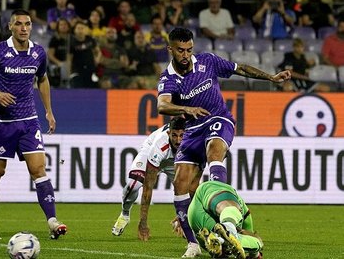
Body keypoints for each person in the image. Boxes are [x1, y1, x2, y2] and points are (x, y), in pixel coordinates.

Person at [156, 27, 290, 257]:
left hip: (219, 118)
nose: (186, 55)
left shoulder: (207, 61)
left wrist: (270, 77)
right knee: (180, 183)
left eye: (189, 49)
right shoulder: (168, 78)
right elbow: (162, 105)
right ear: (170, 49)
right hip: (192, 130)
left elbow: (240, 68)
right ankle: (194, 243)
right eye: (180, 50)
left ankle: (227, 224)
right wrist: (186, 108)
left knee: (214, 151)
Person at [0, 9, 67, 240]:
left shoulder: (38, 53)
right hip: (2, 122)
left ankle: (53, 222)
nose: (23, 28)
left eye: (27, 24)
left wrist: (49, 112)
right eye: (18, 24)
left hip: (28, 121)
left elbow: (43, 79)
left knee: (38, 170)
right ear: (10, 27)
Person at [111, 117, 189, 240]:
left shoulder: (192, 141)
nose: (178, 140)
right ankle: (125, 214)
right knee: (134, 184)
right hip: (150, 152)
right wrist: (143, 223)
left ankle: (186, 222)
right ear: (169, 133)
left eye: (181, 136)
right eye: (174, 135)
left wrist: (183, 215)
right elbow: (148, 187)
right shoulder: (159, 145)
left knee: (189, 189)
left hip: (174, 161)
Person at [187, 181, 263, 259]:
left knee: (228, 216)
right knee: (257, 242)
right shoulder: (246, 221)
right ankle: (228, 229)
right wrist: (255, 254)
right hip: (210, 191)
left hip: (197, 221)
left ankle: (222, 239)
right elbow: (251, 236)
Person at [68, 20, 101, 88]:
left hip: (90, 69)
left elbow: (98, 51)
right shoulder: (71, 42)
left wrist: (97, 59)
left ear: (86, 30)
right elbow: (69, 59)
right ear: (75, 30)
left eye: (82, 28)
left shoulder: (91, 39)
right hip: (77, 70)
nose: (80, 30)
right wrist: (69, 72)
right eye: (78, 28)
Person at [47, 18, 71, 87]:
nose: (63, 26)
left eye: (65, 24)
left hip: (70, 63)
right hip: (57, 64)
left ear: (68, 27)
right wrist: (60, 63)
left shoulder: (71, 38)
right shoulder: (55, 39)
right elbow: (50, 54)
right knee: (64, 66)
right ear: (58, 27)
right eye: (61, 25)